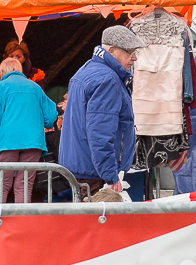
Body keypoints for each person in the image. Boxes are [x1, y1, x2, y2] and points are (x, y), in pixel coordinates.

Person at [59, 26, 143, 196]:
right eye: (130, 52)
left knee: (83, 209)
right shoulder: (107, 79)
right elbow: (101, 132)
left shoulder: (87, 69)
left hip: (83, 164)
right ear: (112, 50)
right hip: (94, 170)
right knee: (96, 212)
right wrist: (110, 175)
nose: (134, 57)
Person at [0, 57, 58, 203]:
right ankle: (21, 217)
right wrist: (44, 123)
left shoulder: (0, 87)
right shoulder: (35, 87)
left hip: (9, 141)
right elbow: (50, 116)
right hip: (34, 142)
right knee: (24, 185)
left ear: (2, 72)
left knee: (1, 184)